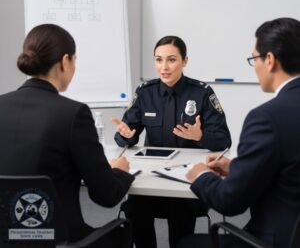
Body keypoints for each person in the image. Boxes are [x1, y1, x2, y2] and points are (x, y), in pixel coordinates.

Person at [0, 24, 135, 244]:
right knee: (122, 233)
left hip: (5, 238)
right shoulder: (73, 114)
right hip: (62, 240)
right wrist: (119, 171)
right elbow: (106, 195)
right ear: (65, 61)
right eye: (75, 60)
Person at [178, 17, 300, 248]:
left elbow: (230, 202)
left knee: (186, 244)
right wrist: (236, 167)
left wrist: (201, 175)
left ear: (270, 60)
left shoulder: (266, 118)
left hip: (275, 240)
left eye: (254, 58)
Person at [112, 35, 231, 248]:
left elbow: (224, 140)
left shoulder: (202, 93)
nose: (164, 67)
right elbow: (126, 133)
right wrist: (126, 136)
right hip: (151, 177)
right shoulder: (145, 92)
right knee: (136, 206)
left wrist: (200, 136)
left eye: (171, 60)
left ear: (184, 61)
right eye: (158, 60)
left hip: (183, 181)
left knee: (181, 212)